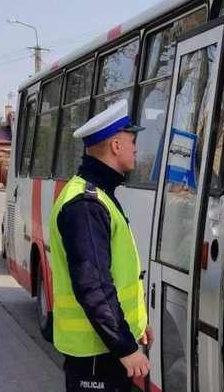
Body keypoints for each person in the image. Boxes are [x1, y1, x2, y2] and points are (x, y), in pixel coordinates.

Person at [49, 100, 153, 392]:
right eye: (132, 141)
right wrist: (124, 346)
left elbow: (117, 277)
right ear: (116, 146)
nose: (136, 149)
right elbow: (93, 286)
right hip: (97, 355)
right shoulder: (86, 204)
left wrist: (135, 328)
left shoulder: (99, 195)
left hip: (104, 349)